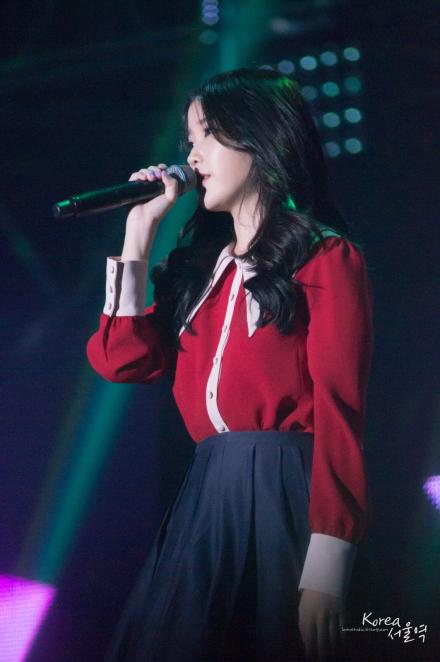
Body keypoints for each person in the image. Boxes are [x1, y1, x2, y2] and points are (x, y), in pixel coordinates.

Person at [86, 67, 374, 661]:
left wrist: (327, 561)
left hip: (285, 489)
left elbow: (339, 412)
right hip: (208, 492)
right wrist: (139, 234)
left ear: (260, 136)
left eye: (208, 135)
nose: (192, 157)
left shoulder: (325, 258)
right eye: (189, 140)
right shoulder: (201, 272)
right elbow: (121, 361)